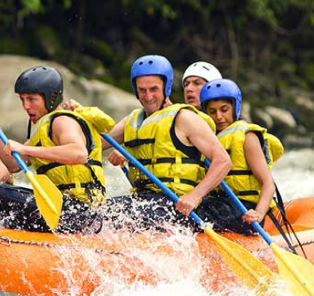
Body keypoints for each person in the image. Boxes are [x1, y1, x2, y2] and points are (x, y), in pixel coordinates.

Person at [0, 66, 115, 233]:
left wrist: (27, 149)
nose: (26, 106)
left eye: (31, 99)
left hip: (78, 211)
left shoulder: (62, 121)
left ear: (51, 98)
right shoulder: (43, 130)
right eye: (22, 99)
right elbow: (13, 164)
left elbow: (78, 153)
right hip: (60, 207)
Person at [102, 55, 232, 230]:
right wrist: (77, 119)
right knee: (100, 211)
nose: (148, 97)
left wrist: (194, 196)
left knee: (117, 218)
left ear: (166, 87)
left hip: (176, 204)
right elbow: (97, 142)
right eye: (142, 90)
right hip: (143, 200)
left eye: (154, 89)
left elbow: (223, 161)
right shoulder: (133, 120)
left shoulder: (184, 118)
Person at [200, 78, 284, 233]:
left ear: (235, 107)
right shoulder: (207, 139)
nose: (218, 116)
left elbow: (268, 184)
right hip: (220, 204)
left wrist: (258, 214)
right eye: (212, 111)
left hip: (244, 208)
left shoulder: (247, 137)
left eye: (224, 109)